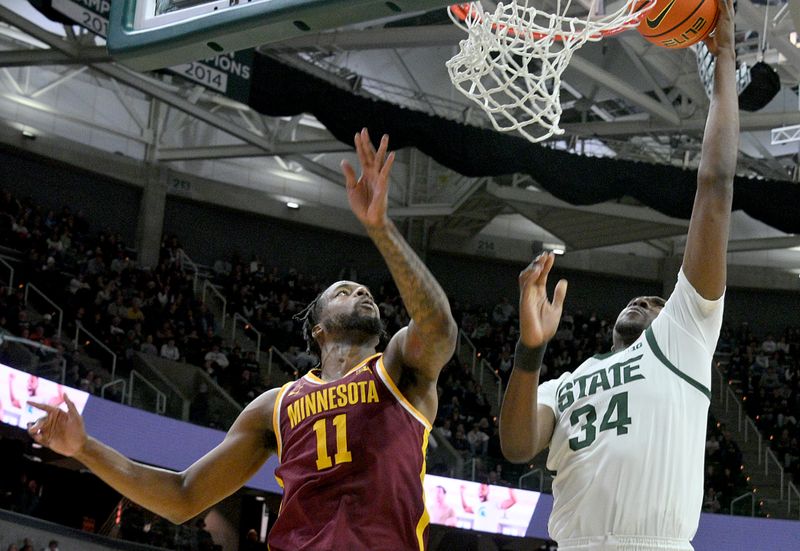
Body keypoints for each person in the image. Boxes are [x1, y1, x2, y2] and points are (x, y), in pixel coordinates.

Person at [27, 129, 457, 551]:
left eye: (364, 291)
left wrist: (380, 227)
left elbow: (438, 324)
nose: (361, 292)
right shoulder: (275, 406)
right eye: (343, 291)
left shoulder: (398, 369)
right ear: (318, 329)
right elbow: (183, 496)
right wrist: (84, 448)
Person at [498, 1, 738, 549]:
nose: (641, 302)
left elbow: (716, 186)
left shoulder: (686, 334)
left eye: (655, 302)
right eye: (641, 301)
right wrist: (529, 350)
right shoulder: (565, 383)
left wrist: (724, 62)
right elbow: (516, 446)